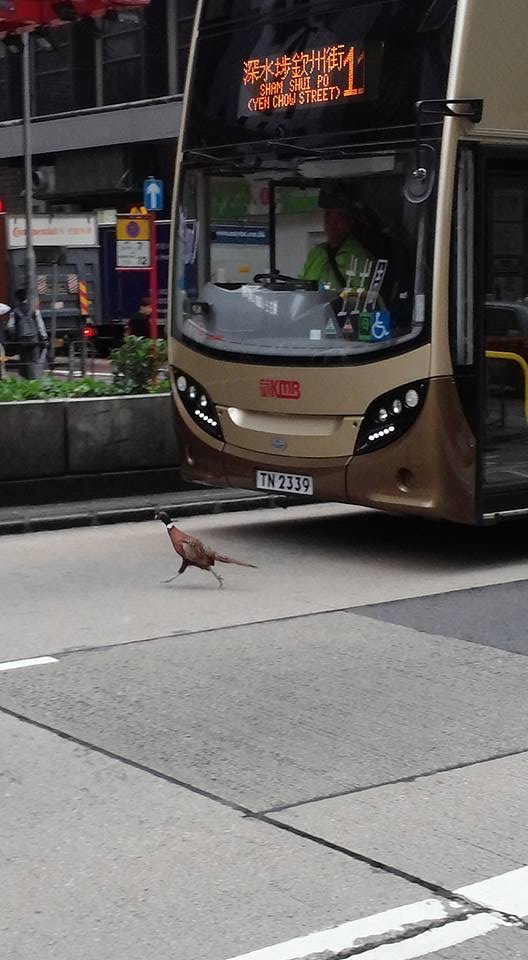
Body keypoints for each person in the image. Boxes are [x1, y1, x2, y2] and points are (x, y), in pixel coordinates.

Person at [299, 181, 381, 293]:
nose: (331, 223)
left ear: (350, 221)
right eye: (328, 215)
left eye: (339, 217)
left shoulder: (361, 258)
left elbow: (360, 303)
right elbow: (300, 288)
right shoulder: (316, 253)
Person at [7, 289, 48, 380]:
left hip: (22, 339)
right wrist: (44, 337)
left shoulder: (15, 312)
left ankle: (25, 378)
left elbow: (10, 326)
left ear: (17, 299)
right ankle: (34, 378)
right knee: (34, 359)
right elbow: (40, 325)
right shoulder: (34, 310)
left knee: (23, 359)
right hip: (34, 339)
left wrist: (14, 335)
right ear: (26, 298)